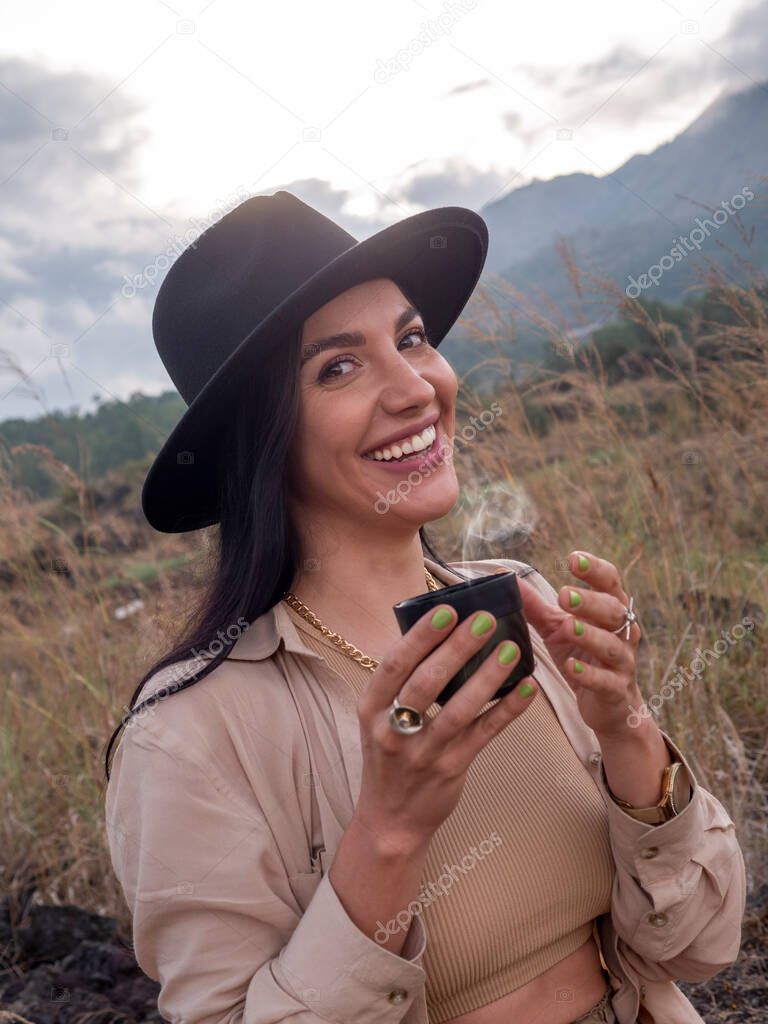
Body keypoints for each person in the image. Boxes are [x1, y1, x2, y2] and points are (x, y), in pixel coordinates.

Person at [103, 191, 746, 1024]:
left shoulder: (527, 603)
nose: (416, 387)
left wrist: (627, 728)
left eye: (411, 339)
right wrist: (389, 833)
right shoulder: (188, 735)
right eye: (339, 366)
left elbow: (696, 944)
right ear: (257, 438)